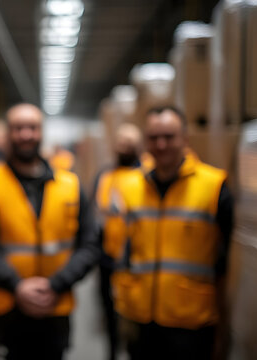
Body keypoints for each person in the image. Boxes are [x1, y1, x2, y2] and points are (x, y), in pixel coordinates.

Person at [0, 103, 100, 359]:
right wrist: (17, 286)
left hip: (56, 306)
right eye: (18, 128)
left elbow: (90, 244)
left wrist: (56, 285)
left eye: (32, 127)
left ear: (42, 132)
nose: (25, 134)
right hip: (6, 309)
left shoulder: (70, 184)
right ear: (8, 134)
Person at [112, 106, 233, 360]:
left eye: (169, 136)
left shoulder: (213, 185)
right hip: (141, 316)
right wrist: (122, 306)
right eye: (154, 138)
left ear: (185, 139)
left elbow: (227, 260)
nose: (162, 144)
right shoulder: (130, 186)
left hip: (191, 321)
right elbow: (125, 251)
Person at [91, 123, 144, 360]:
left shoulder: (147, 175)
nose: (125, 145)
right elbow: (97, 215)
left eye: (130, 141)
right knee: (110, 311)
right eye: (121, 140)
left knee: (135, 318)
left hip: (138, 261)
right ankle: (111, 353)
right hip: (108, 257)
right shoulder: (105, 176)